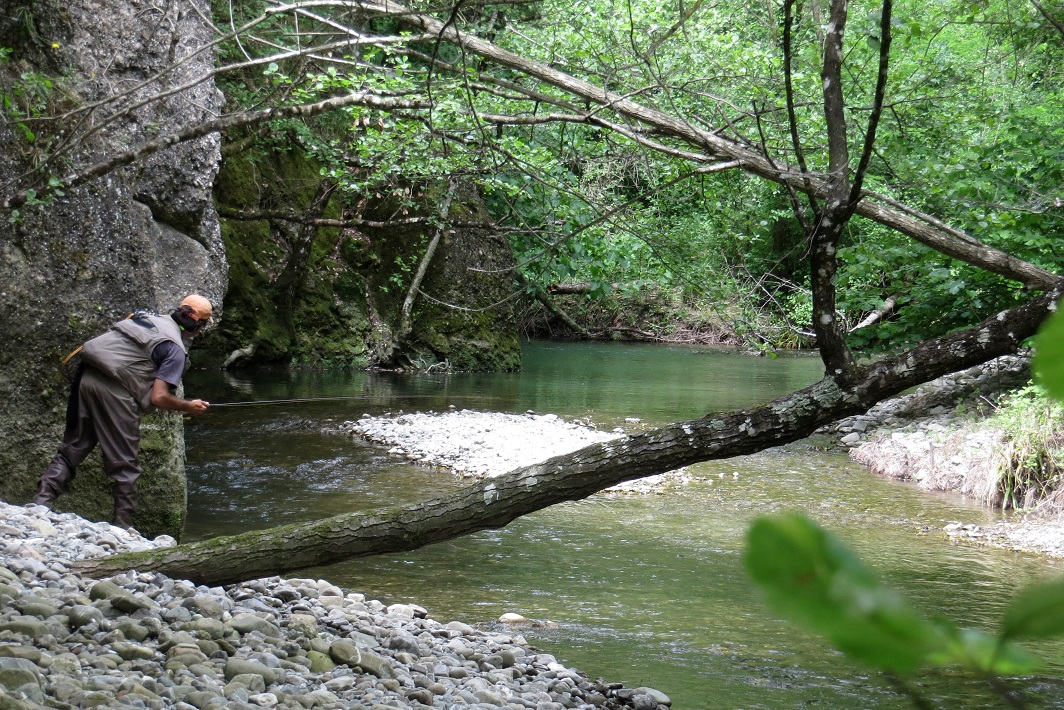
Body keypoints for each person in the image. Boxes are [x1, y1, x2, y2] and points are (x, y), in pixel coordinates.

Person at [31, 294, 214, 530]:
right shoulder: (175, 350)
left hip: (87, 378)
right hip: (116, 392)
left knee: (74, 447)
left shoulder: (148, 319)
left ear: (178, 310)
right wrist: (188, 406)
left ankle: (41, 503)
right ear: (198, 327)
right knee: (124, 463)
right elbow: (159, 397)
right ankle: (123, 526)